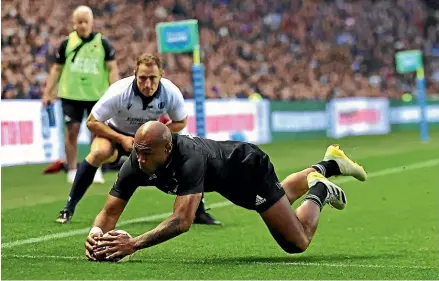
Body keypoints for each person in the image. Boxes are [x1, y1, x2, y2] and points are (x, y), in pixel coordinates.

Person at [84, 121, 367, 261]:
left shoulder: (189, 158)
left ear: (168, 149)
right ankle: (330, 163)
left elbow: (183, 220)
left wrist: (133, 244)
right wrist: (96, 236)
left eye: (147, 154)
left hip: (247, 168)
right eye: (138, 152)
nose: (140, 159)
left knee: (296, 243)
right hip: (225, 178)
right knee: (279, 197)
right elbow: (110, 211)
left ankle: (318, 188)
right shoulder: (137, 161)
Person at [56, 53, 221, 226]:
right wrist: (122, 139)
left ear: (161, 76)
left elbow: (180, 122)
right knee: (98, 152)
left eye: (152, 78)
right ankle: (69, 207)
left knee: (186, 154)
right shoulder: (119, 92)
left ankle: (199, 211)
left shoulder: (170, 92)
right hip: (116, 134)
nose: (147, 84)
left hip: (150, 138)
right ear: (135, 74)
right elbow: (92, 122)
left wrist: (157, 136)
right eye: (142, 78)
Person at [42, 5, 120, 184]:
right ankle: (71, 170)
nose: (83, 25)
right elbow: (56, 70)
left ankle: (95, 169)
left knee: (97, 133)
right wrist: (48, 92)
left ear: (92, 23)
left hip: (97, 95)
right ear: (73, 23)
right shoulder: (66, 43)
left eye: (86, 22)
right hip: (71, 94)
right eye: (79, 22)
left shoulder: (103, 44)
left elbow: (112, 69)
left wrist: (115, 92)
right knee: (72, 132)